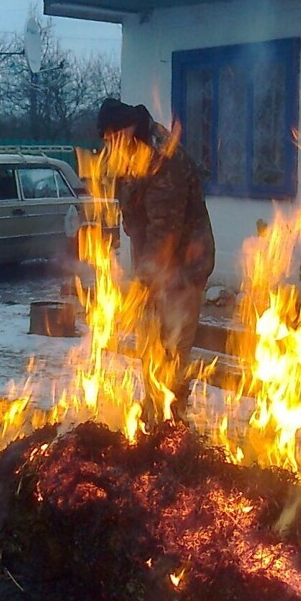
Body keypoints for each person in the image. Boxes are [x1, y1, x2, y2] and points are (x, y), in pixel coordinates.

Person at [97, 98, 215, 420]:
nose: (110, 145)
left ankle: (172, 429)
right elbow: (132, 215)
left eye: (112, 137)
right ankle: (151, 419)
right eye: (106, 141)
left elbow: (165, 232)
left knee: (173, 352)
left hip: (184, 270)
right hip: (152, 270)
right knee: (150, 348)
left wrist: (146, 282)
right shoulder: (128, 156)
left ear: (128, 128)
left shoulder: (166, 157)